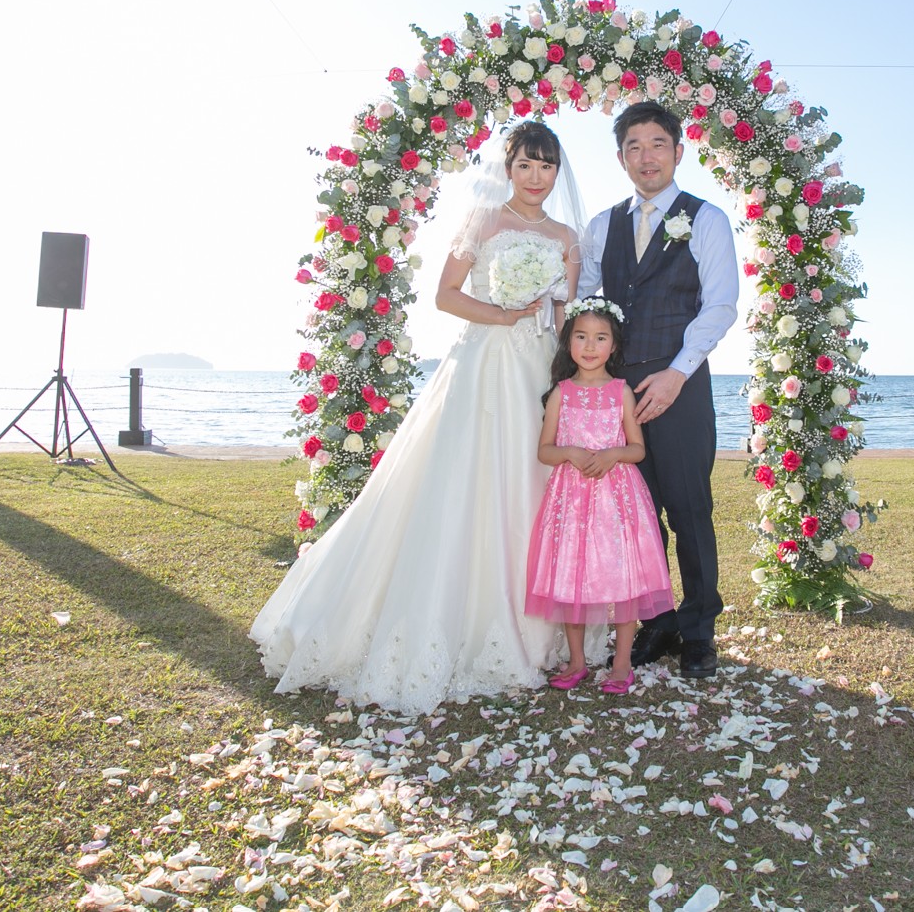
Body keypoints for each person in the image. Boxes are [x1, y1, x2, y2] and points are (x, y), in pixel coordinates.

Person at [250, 122, 585, 716]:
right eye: (526, 165)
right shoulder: (482, 222)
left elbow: (565, 317)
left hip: (538, 371)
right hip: (483, 362)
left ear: (558, 171)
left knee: (532, 486)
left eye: (547, 166)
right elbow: (446, 295)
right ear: (508, 167)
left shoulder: (566, 236)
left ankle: (536, 624)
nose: (537, 177)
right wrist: (502, 314)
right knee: (462, 481)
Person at [579, 100, 739, 679]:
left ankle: (698, 628)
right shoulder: (602, 225)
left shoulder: (708, 218)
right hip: (617, 392)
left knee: (689, 508)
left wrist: (677, 373)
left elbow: (720, 305)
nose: (646, 157)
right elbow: (588, 302)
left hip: (680, 383)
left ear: (678, 149)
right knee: (634, 514)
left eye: (657, 144)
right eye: (634, 147)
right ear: (620, 158)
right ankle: (657, 618)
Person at [526, 298, 674, 695]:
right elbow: (545, 450)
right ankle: (577, 661)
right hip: (571, 500)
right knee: (571, 577)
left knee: (622, 578)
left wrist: (613, 454)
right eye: (581, 337)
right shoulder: (560, 393)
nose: (590, 346)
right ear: (568, 342)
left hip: (616, 497)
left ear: (614, 345)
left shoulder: (621, 392)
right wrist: (571, 453)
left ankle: (622, 663)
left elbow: (637, 448)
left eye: (600, 338)